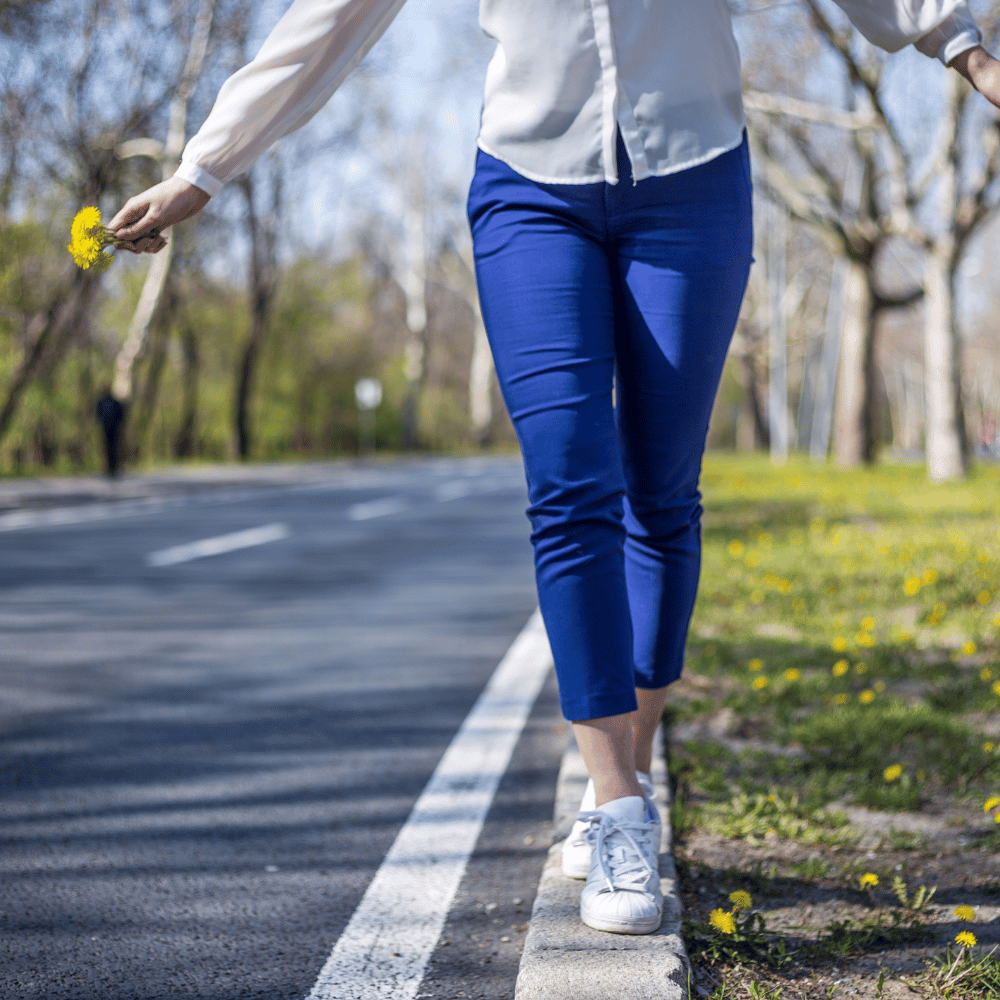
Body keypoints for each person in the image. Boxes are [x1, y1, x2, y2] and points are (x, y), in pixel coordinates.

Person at [108, 0, 1000, 937]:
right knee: (571, 488)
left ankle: (632, 767)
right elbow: (332, 16)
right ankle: (616, 807)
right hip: (530, 187)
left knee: (662, 494)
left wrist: (961, 45)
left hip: (694, 173)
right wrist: (205, 166)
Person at [95, 386, 125, 478]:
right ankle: (108, 468)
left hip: (115, 428)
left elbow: (120, 414)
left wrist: (120, 425)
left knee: (114, 448)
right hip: (105, 428)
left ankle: (115, 467)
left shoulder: (115, 402)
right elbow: (98, 414)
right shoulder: (101, 402)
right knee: (106, 448)